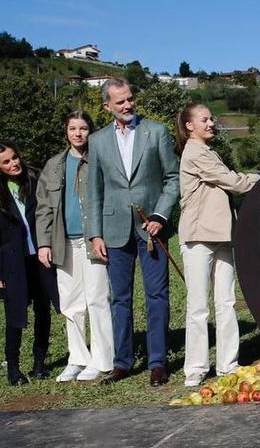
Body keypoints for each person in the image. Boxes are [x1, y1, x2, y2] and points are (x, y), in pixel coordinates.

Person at [87, 77, 180, 386]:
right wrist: (95, 234)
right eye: (120, 102)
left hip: (151, 230)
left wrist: (160, 215)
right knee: (119, 299)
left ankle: (157, 363)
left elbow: (172, 178)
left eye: (130, 99)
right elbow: (95, 191)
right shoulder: (98, 141)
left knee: (157, 296)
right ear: (107, 106)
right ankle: (122, 363)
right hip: (113, 232)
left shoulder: (156, 132)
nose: (128, 105)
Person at [175, 103, 260, 387]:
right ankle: (196, 369)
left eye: (211, 118)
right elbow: (232, 182)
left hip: (222, 236)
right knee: (199, 306)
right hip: (199, 237)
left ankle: (228, 364)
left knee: (226, 302)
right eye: (205, 119)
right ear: (189, 126)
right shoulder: (195, 151)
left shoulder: (208, 151)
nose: (211, 123)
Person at [36, 110, 114, 382]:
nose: (78, 133)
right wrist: (44, 243)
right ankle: (77, 358)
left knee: (97, 299)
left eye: (83, 128)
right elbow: (44, 208)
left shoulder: (100, 160)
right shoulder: (54, 165)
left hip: (93, 240)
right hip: (63, 242)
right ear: (66, 131)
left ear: (90, 131)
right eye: (72, 128)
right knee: (70, 303)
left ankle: (102, 359)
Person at [0, 142, 59, 385]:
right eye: (6, 162)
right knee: (15, 316)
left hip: (39, 258)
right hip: (13, 264)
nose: (13, 163)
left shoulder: (34, 181)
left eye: (14, 158)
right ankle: (14, 369)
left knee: (43, 311)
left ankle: (40, 364)